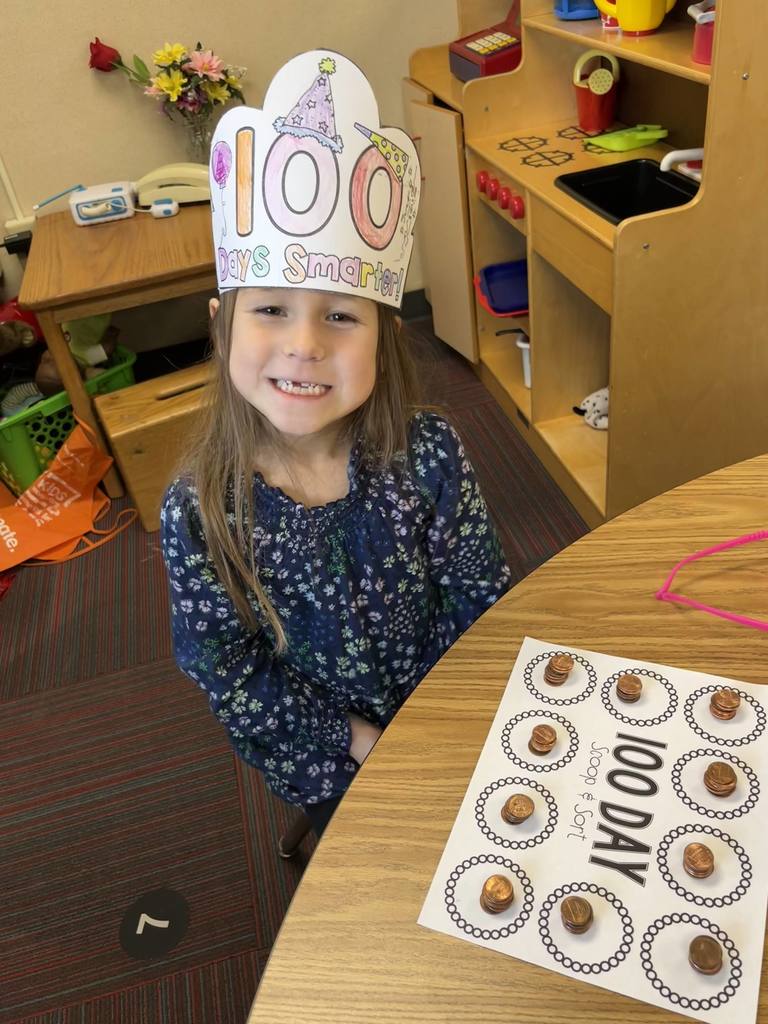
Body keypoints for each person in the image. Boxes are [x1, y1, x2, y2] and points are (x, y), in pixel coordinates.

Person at [160, 50, 512, 838]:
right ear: (222, 328)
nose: (306, 344)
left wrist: (440, 723)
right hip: (319, 747)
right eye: (272, 311)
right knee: (370, 855)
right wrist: (359, 743)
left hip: (447, 706)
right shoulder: (200, 510)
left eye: (342, 316)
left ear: (384, 337)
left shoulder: (429, 455)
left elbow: (478, 594)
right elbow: (224, 663)